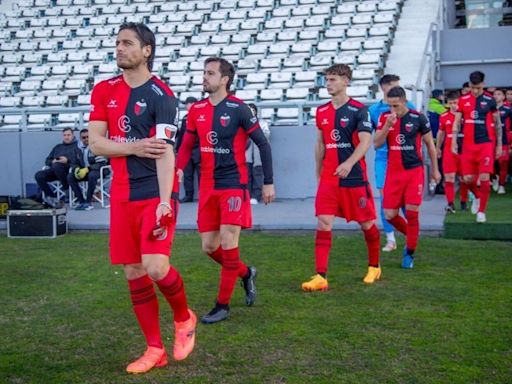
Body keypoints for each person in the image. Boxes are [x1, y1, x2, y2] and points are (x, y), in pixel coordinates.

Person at [88, 22, 196, 374]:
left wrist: (166, 200)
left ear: (146, 50)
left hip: (154, 193)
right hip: (121, 195)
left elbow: (165, 152)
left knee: (155, 267)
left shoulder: (163, 95)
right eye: (117, 43)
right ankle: (154, 349)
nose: (119, 48)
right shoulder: (104, 90)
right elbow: (96, 143)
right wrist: (134, 146)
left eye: (127, 43)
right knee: (133, 271)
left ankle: (184, 318)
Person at [177, 56, 275, 324]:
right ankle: (246, 273)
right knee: (210, 247)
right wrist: (178, 169)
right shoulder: (196, 110)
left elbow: (263, 145)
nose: (204, 77)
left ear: (224, 80)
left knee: (229, 242)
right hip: (207, 184)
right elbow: (186, 145)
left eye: (210, 73)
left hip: (233, 183)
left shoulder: (240, 109)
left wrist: (268, 181)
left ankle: (222, 305)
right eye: (204, 72)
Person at [301, 63, 381, 291]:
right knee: (324, 222)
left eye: (333, 79)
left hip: (353, 178)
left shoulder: (359, 110)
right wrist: (318, 171)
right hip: (329, 179)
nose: (328, 84)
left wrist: (348, 163)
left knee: (366, 224)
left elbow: (365, 142)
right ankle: (321, 276)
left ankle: (374, 266)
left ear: (346, 81)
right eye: (327, 80)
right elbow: (320, 143)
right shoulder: (322, 111)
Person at [374, 86, 441, 269]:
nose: (392, 110)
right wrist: (387, 126)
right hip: (393, 172)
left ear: (404, 101)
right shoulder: (384, 118)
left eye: (396, 106)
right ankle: (413, 235)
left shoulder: (418, 117)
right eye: (390, 106)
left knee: (412, 213)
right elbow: (377, 144)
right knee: (389, 215)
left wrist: (435, 170)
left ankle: (409, 253)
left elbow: (430, 145)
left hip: (414, 172)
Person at [368, 74, 415, 253]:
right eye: (391, 87)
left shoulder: (410, 107)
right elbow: (371, 135)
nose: (395, 90)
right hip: (383, 158)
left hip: (404, 158)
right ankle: (390, 238)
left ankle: (409, 235)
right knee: (384, 197)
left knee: (403, 199)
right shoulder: (374, 110)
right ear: (383, 88)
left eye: (397, 86)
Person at [452, 71, 502, 223]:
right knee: (467, 179)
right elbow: (457, 122)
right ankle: (478, 197)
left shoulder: (490, 100)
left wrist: (499, 144)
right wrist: (454, 140)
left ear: (483, 85)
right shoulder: (463, 100)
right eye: (472, 87)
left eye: (478, 88)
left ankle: (482, 212)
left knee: (484, 177)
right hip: (468, 145)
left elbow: (498, 123)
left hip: (485, 144)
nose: (475, 91)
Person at [436, 91, 468, 212]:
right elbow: (441, 133)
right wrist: (437, 148)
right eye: (451, 103)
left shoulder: (465, 115)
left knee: (464, 178)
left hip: (464, 149)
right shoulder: (444, 116)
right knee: (449, 177)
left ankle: (463, 202)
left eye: (455, 102)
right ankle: (450, 203)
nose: (453, 105)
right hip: (449, 150)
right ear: (447, 104)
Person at [35, 127, 79, 207]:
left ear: (73, 135)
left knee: (57, 166)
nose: (66, 137)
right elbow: (47, 160)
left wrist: (67, 160)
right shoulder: (58, 147)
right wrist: (53, 161)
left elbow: (79, 161)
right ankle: (53, 197)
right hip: (55, 170)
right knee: (39, 175)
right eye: (65, 135)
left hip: (69, 170)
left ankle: (66, 190)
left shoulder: (77, 146)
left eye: (68, 135)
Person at [67, 128, 108, 210]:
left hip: (99, 171)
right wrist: (76, 169)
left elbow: (101, 162)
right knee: (70, 176)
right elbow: (73, 162)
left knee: (92, 175)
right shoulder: (77, 149)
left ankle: (88, 202)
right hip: (84, 171)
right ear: (80, 138)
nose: (86, 139)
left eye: (87, 137)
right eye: (83, 137)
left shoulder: (97, 146)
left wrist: (87, 169)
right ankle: (81, 201)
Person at [246, 103, 271, 205]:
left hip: (258, 153)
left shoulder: (262, 123)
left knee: (257, 174)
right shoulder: (242, 122)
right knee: (246, 174)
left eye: (253, 110)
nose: (251, 112)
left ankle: (256, 196)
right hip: (246, 153)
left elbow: (267, 134)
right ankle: (246, 196)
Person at [176, 96, 199, 203]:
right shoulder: (185, 118)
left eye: (190, 103)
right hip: (187, 149)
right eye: (187, 103)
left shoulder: (200, 116)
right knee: (188, 174)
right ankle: (188, 195)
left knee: (201, 174)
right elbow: (181, 135)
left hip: (198, 149)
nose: (188, 105)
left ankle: (202, 195)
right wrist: (178, 148)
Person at [492, 88, 512, 194]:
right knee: (490, 162)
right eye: (495, 94)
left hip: (504, 140)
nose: (496, 96)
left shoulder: (508, 109)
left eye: (499, 94)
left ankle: (501, 185)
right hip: (490, 140)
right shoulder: (489, 109)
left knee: (503, 163)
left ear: (503, 97)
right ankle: (494, 177)